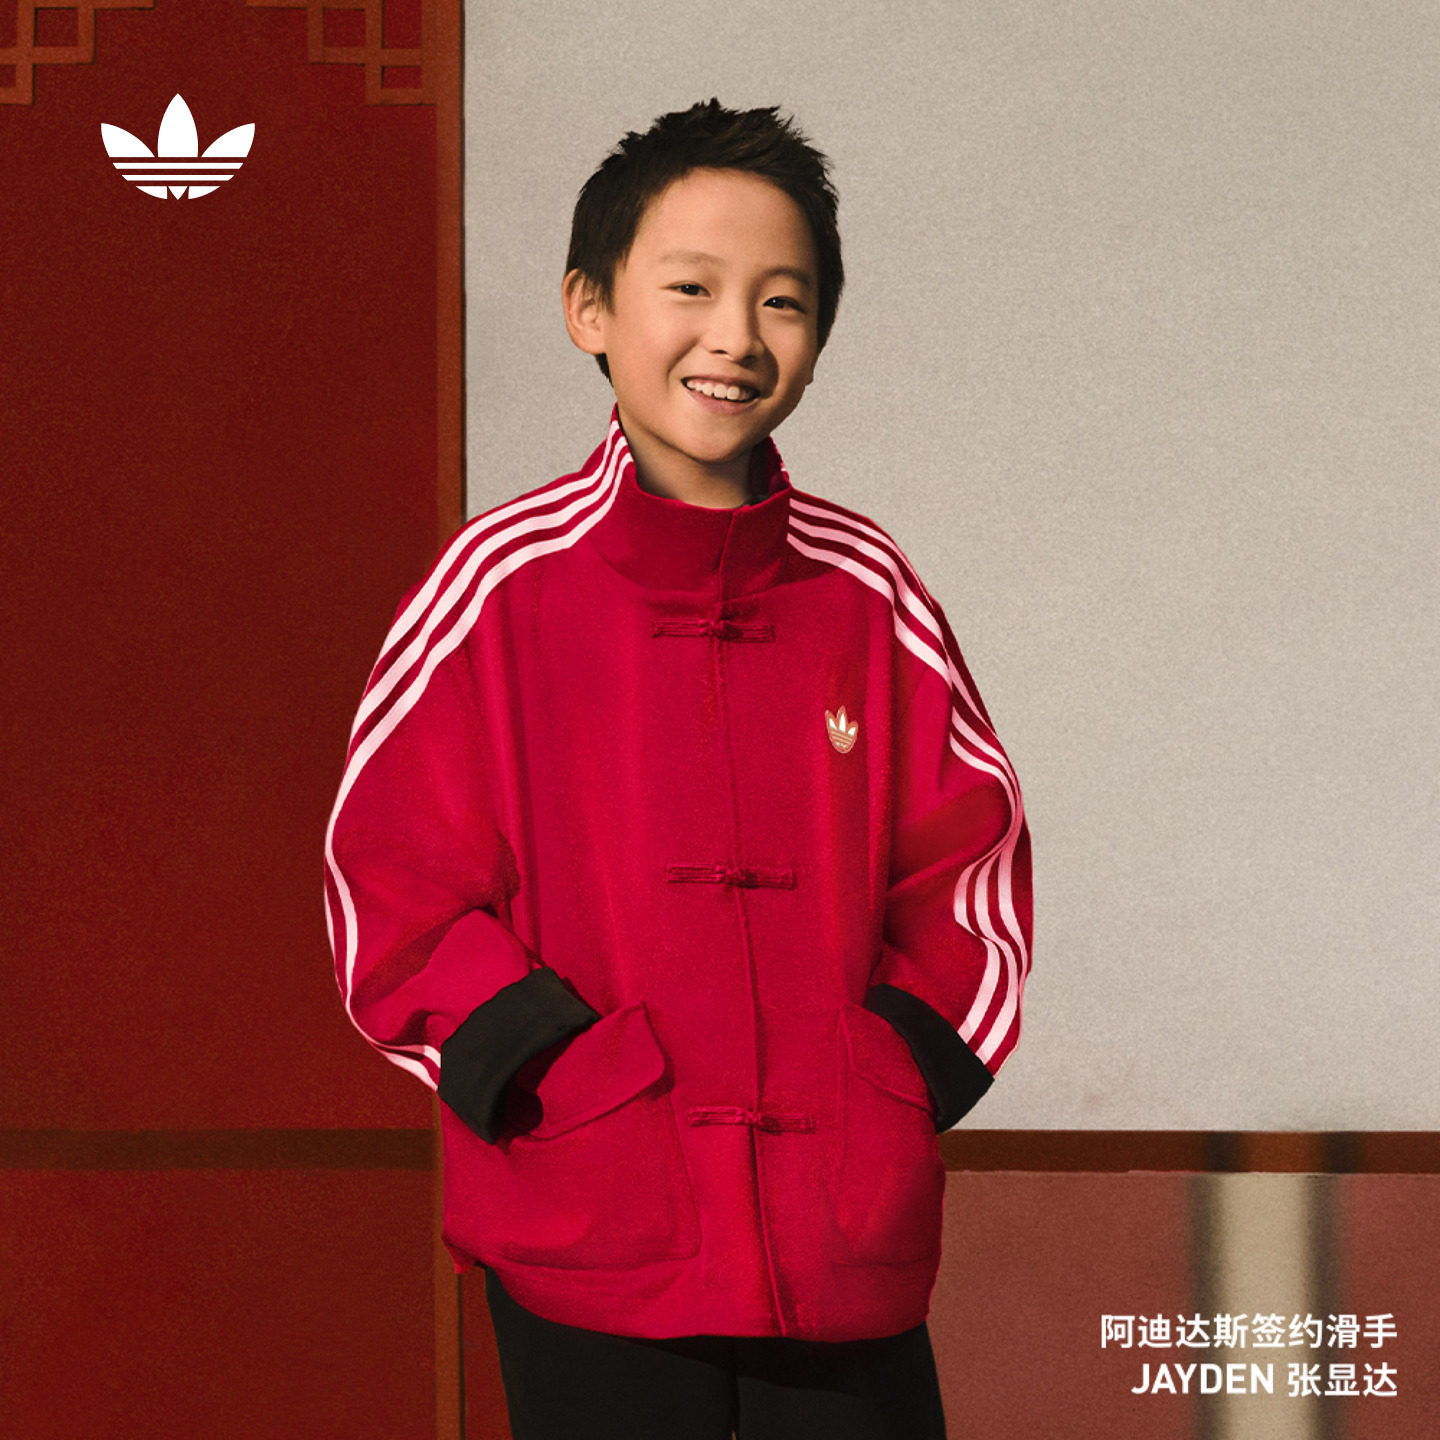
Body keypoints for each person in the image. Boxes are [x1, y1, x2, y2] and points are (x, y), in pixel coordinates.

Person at [325, 98, 1032, 1440]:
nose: (736, 336)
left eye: (783, 300)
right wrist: (554, 1075)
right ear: (590, 308)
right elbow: (391, 889)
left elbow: (972, 871)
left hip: (842, 1233)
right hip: (591, 1220)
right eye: (691, 288)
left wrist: (886, 1081)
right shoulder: (495, 587)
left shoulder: (870, 592)